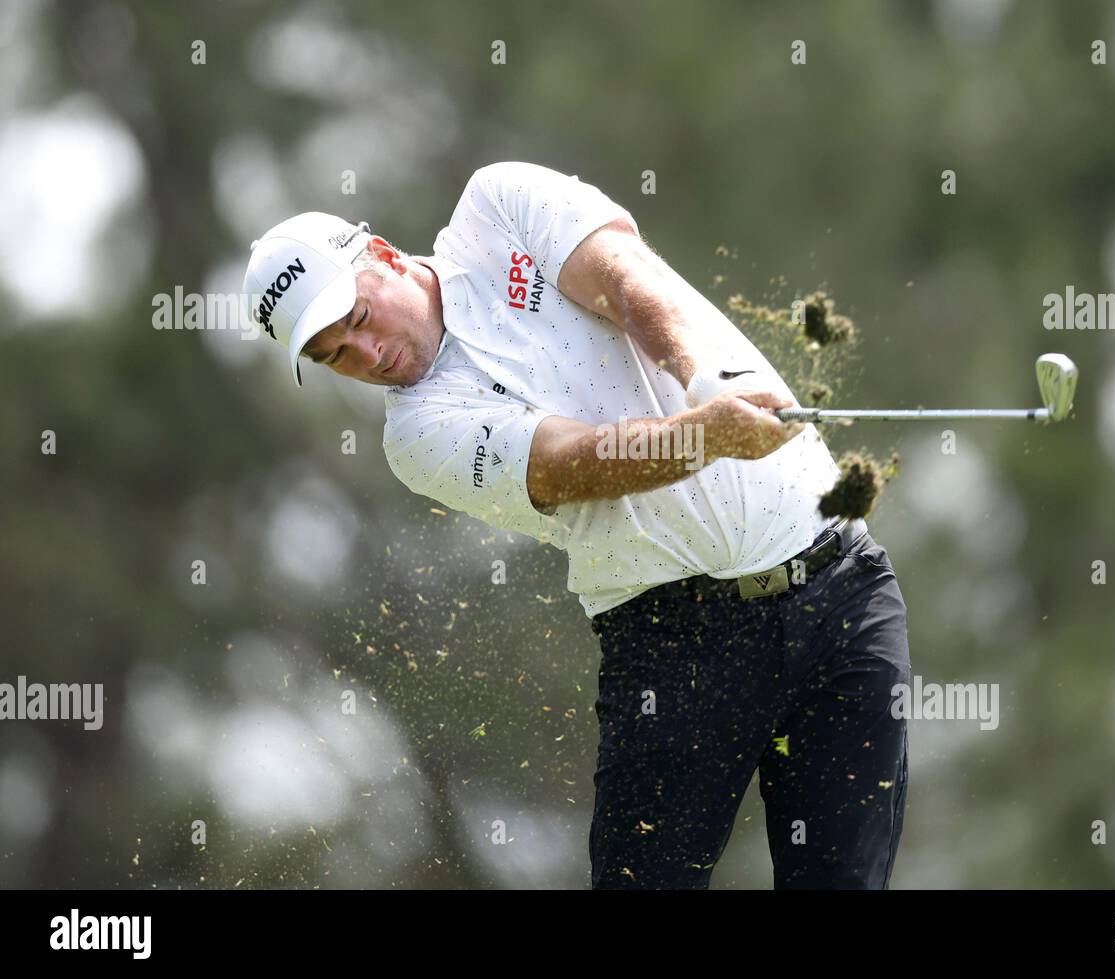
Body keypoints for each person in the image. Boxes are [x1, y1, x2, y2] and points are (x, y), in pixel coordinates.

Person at [242, 160, 911, 889]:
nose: (367, 357)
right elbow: (569, 463)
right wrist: (703, 434)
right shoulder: (416, 436)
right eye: (336, 355)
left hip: (838, 589)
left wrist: (708, 380)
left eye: (360, 321)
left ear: (385, 257)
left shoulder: (496, 205)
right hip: (672, 645)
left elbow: (623, 278)